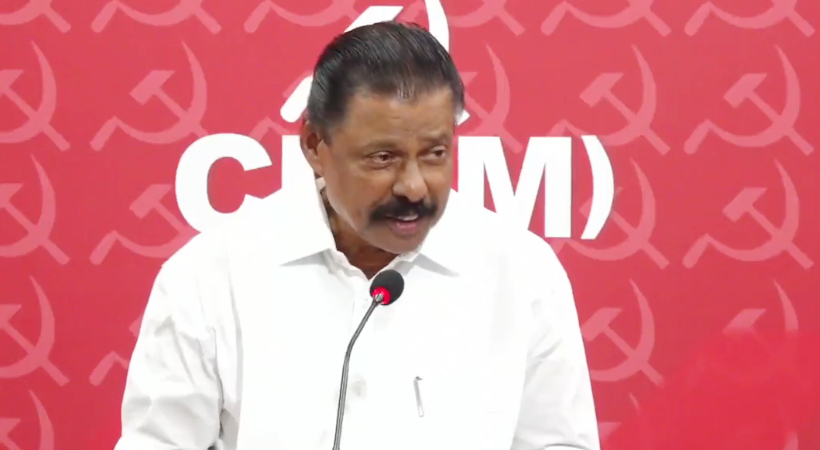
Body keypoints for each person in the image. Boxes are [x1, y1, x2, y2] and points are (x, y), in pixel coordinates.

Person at [114, 21, 600, 450]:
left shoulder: (521, 273)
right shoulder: (211, 277)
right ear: (314, 145)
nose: (414, 186)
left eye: (435, 154)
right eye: (382, 158)